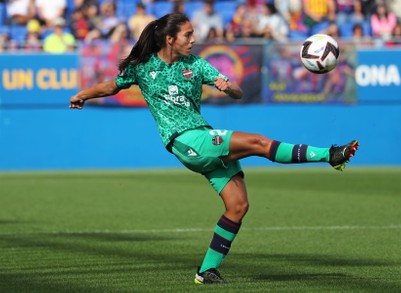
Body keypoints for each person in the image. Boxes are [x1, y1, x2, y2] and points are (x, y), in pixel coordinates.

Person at [69, 13, 359, 284]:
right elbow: (111, 87)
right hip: (185, 140)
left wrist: (226, 85)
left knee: (238, 206)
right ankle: (329, 155)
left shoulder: (196, 64)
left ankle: (207, 269)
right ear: (169, 39)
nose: (193, 39)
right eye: (188, 35)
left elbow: (237, 91)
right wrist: (82, 94)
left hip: (202, 138)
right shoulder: (143, 68)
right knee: (258, 142)